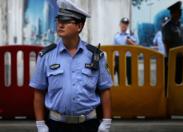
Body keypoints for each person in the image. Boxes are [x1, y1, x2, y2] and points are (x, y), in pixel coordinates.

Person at [29, 0, 113, 132]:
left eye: (66, 21)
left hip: (88, 124)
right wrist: (40, 124)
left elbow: (105, 90)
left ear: (79, 26)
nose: (60, 25)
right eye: (59, 20)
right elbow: (39, 92)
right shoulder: (46, 55)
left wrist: (106, 122)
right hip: (56, 125)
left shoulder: (96, 55)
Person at [162, 1, 183, 85]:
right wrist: (169, 59)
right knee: (170, 80)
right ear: (173, 13)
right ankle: (168, 97)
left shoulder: (182, 25)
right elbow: (167, 43)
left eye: (180, 12)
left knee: (180, 80)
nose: (180, 13)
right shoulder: (167, 26)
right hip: (172, 57)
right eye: (178, 12)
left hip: (181, 57)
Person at [113, 17, 137, 85]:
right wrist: (114, 61)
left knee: (130, 77)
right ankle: (121, 93)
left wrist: (130, 42)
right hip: (119, 58)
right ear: (120, 24)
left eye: (126, 24)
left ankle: (130, 93)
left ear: (127, 25)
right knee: (120, 77)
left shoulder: (132, 35)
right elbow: (114, 49)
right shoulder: (116, 36)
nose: (124, 25)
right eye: (123, 23)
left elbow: (137, 47)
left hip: (128, 58)